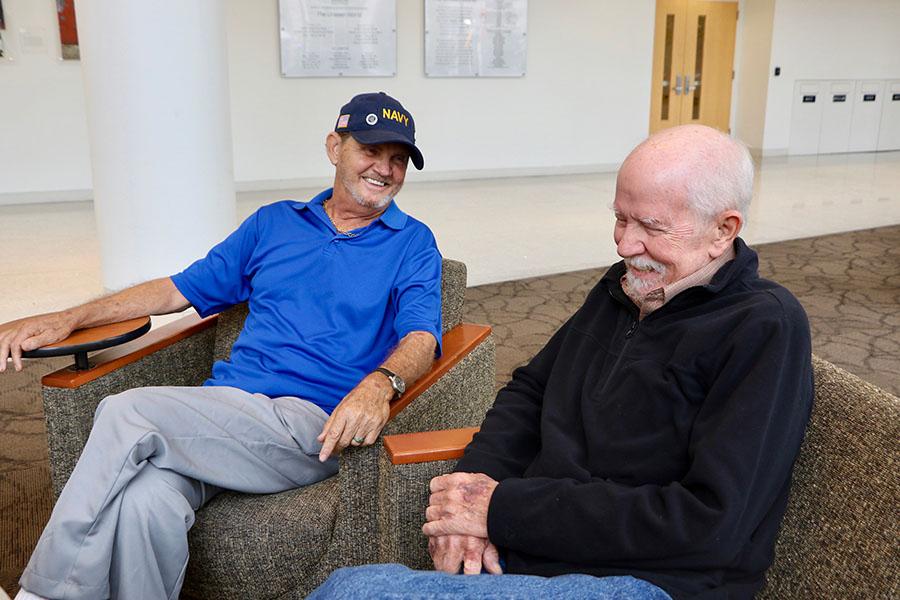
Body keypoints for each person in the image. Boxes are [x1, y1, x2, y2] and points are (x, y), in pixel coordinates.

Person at [310, 125, 814, 600]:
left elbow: (710, 524)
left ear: (723, 229)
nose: (624, 243)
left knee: (353, 591)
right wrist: (473, 487)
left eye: (651, 227)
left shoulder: (763, 327)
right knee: (350, 584)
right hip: (537, 550)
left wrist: (502, 511)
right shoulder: (626, 287)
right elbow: (531, 390)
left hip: (645, 582)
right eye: (620, 217)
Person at [1, 92, 443, 600]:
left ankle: (44, 594)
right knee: (148, 500)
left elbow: (421, 337)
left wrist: (379, 384)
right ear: (334, 147)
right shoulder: (273, 223)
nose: (385, 169)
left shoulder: (412, 242)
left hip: (310, 422)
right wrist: (69, 317)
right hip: (226, 410)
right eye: (371, 151)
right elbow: (177, 289)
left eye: (398, 159)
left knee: (127, 412)